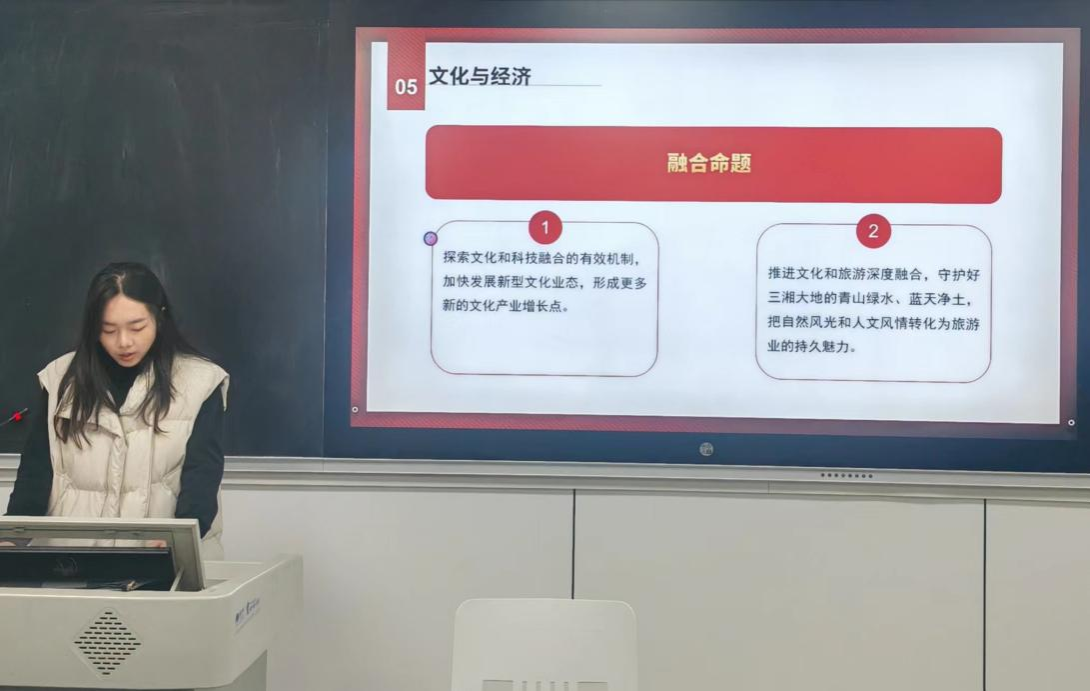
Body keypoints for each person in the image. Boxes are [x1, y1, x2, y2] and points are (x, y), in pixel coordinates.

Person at [3, 262, 229, 558]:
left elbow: (202, 476)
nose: (124, 342)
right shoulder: (60, 379)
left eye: (137, 327)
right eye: (108, 330)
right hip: (72, 563)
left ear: (160, 317)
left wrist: (179, 541)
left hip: (165, 563)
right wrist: (12, 539)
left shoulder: (200, 382)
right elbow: (36, 472)